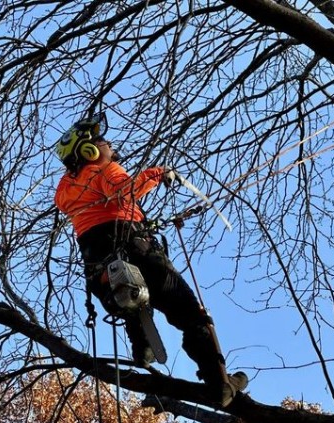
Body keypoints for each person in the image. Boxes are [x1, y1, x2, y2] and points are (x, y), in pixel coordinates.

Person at [53, 113, 247, 407]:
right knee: (191, 313)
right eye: (102, 141)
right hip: (135, 249)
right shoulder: (103, 170)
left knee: (130, 297)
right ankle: (219, 383)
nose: (110, 144)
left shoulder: (65, 190)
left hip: (97, 267)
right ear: (89, 151)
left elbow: (96, 206)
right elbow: (122, 194)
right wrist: (158, 173)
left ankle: (141, 341)